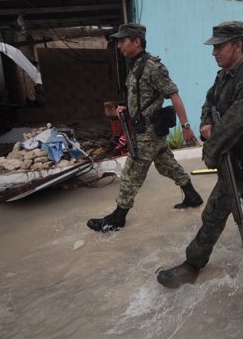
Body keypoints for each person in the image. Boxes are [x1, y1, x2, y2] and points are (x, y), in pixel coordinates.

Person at [157, 21, 243, 288]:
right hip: (232, 154)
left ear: (237, 45)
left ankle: (192, 264)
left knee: (215, 211)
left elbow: (236, 123)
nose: (214, 52)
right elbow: (209, 101)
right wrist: (206, 122)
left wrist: (210, 148)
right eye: (213, 47)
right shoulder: (224, 76)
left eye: (219, 46)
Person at [87, 23, 203, 232]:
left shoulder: (151, 66)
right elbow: (141, 98)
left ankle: (118, 217)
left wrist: (186, 126)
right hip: (149, 130)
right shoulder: (135, 65)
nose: (119, 45)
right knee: (167, 164)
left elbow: (173, 94)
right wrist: (127, 107)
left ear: (137, 41)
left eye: (123, 41)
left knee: (132, 173)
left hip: (148, 133)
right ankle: (192, 196)